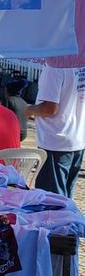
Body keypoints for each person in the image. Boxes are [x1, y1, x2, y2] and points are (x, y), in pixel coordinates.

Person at [25, 66, 85, 198]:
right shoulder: (79, 63)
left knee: (52, 203)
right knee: (66, 201)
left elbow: (49, 108)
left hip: (55, 140)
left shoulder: (54, 67)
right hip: (76, 137)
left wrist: (28, 110)